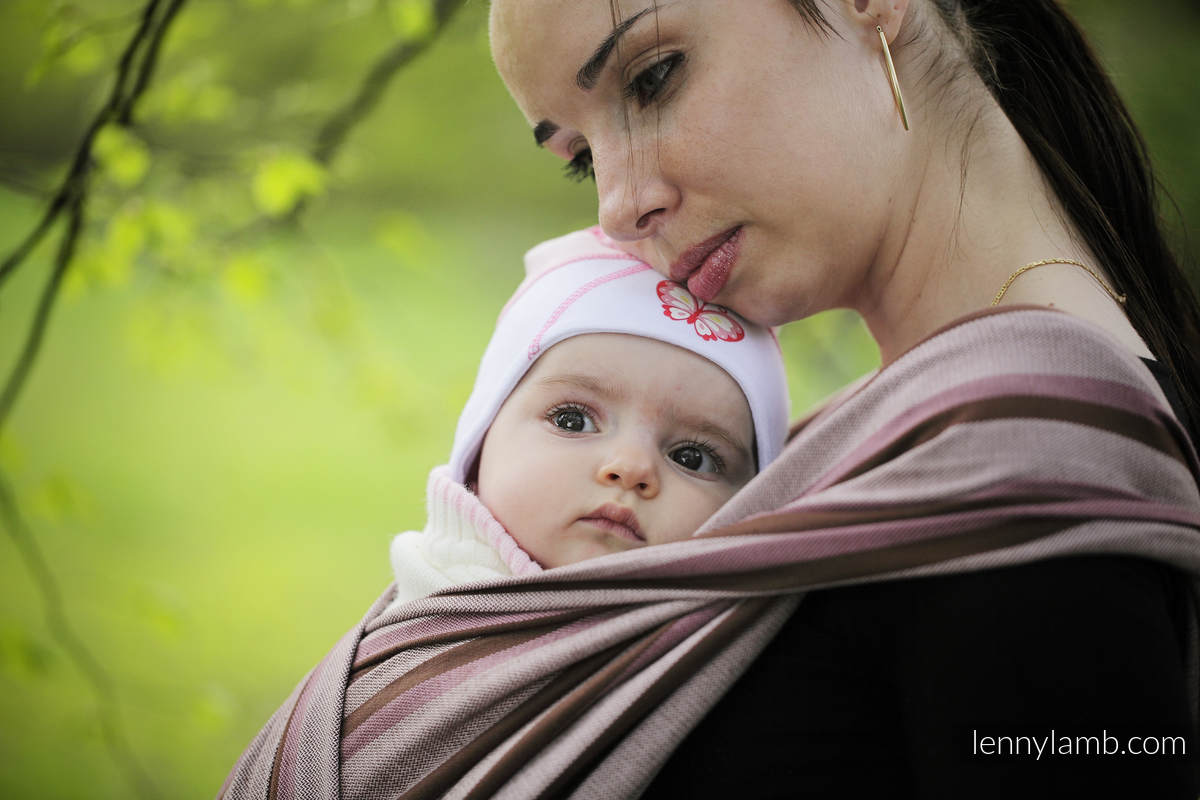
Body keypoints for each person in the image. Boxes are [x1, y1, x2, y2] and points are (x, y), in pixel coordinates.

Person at [222, 3, 1200, 798]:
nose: (615, 203)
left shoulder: (1021, 466)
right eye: (577, 153)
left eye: (653, 77)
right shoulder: (860, 483)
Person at [381, 226, 789, 608]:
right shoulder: (411, 634)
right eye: (572, 420)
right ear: (481, 434)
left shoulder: (731, 655)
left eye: (692, 458)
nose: (631, 468)